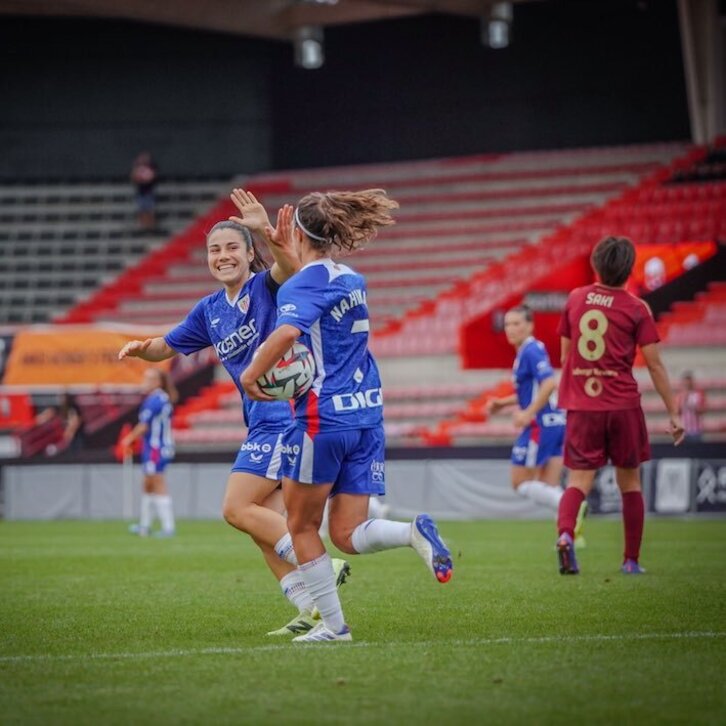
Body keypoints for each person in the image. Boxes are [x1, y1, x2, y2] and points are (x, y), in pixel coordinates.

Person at [118, 190, 348, 635]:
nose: (222, 256)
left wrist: (265, 228)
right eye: (214, 250)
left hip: (285, 418)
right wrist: (145, 352)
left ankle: (319, 562)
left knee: (235, 507)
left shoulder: (267, 286)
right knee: (265, 526)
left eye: (231, 248)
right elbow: (167, 346)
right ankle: (311, 608)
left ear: (248, 254)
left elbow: (291, 268)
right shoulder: (209, 311)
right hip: (260, 421)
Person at [241, 189, 453, 644]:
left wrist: (252, 373)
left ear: (298, 231)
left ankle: (335, 628)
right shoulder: (353, 278)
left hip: (323, 419)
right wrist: (271, 236)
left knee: (300, 526)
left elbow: (287, 331)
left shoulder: (301, 285)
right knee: (346, 531)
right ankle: (411, 532)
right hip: (367, 417)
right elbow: (311, 284)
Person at [555, 236, 684, 576]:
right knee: (631, 484)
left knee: (578, 481)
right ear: (629, 269)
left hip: (583, 405)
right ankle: (630, 560)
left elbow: (566, 356)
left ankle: (566, 535)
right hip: (622, 404)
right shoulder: (637, 308)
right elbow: (655, 365)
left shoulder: (574, 299)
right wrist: (673, 411)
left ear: (595, 263)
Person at [486, 305, 586, 543]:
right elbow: (530, 390)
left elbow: (550, 384)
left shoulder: (531, 351)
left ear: (530, 325)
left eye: (517, 323)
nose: (511, 329)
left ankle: (570, 505)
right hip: (556, 423)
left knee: (520, 482)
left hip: (541, 426)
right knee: (547, 485)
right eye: (508, 324)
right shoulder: (528, 351)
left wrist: (527, 413)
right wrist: (503, 403)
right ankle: (568, 537)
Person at [122, 368, 178, 537]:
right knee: (148, 484)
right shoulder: (160, 398)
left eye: (148, 379)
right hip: (154, 447)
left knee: (157, 483)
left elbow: (144, 426)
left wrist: (129, 438)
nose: (144, 382)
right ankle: (145, 526)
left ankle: (168, 527)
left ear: (158, 382)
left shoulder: (155, 399)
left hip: (156, 447)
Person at [36, 391, 84, 456]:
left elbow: (73, 426)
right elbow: (45, 416)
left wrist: (66, 437)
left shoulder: (73, 409)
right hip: (59, 442)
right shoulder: (56, 408)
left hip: (72, 446)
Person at [130, 151, 158, 231]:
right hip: (141, 192)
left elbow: (152, 177)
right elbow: (133, 178)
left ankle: (151, 225)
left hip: (148, 192)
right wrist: (138, 178)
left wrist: (144, 179)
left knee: (149, 210)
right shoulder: (137, 169)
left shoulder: (151, 168)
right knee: (142, 210)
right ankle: (142, 225)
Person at [678, 371, 705, 441]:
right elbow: (677, 412)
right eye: (685, 382)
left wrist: (691, 404)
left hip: (696, 430)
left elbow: (702, 410)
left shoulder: (698, 394)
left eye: (689, 382)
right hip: (683, 430)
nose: (687, 384)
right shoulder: (680, 395)